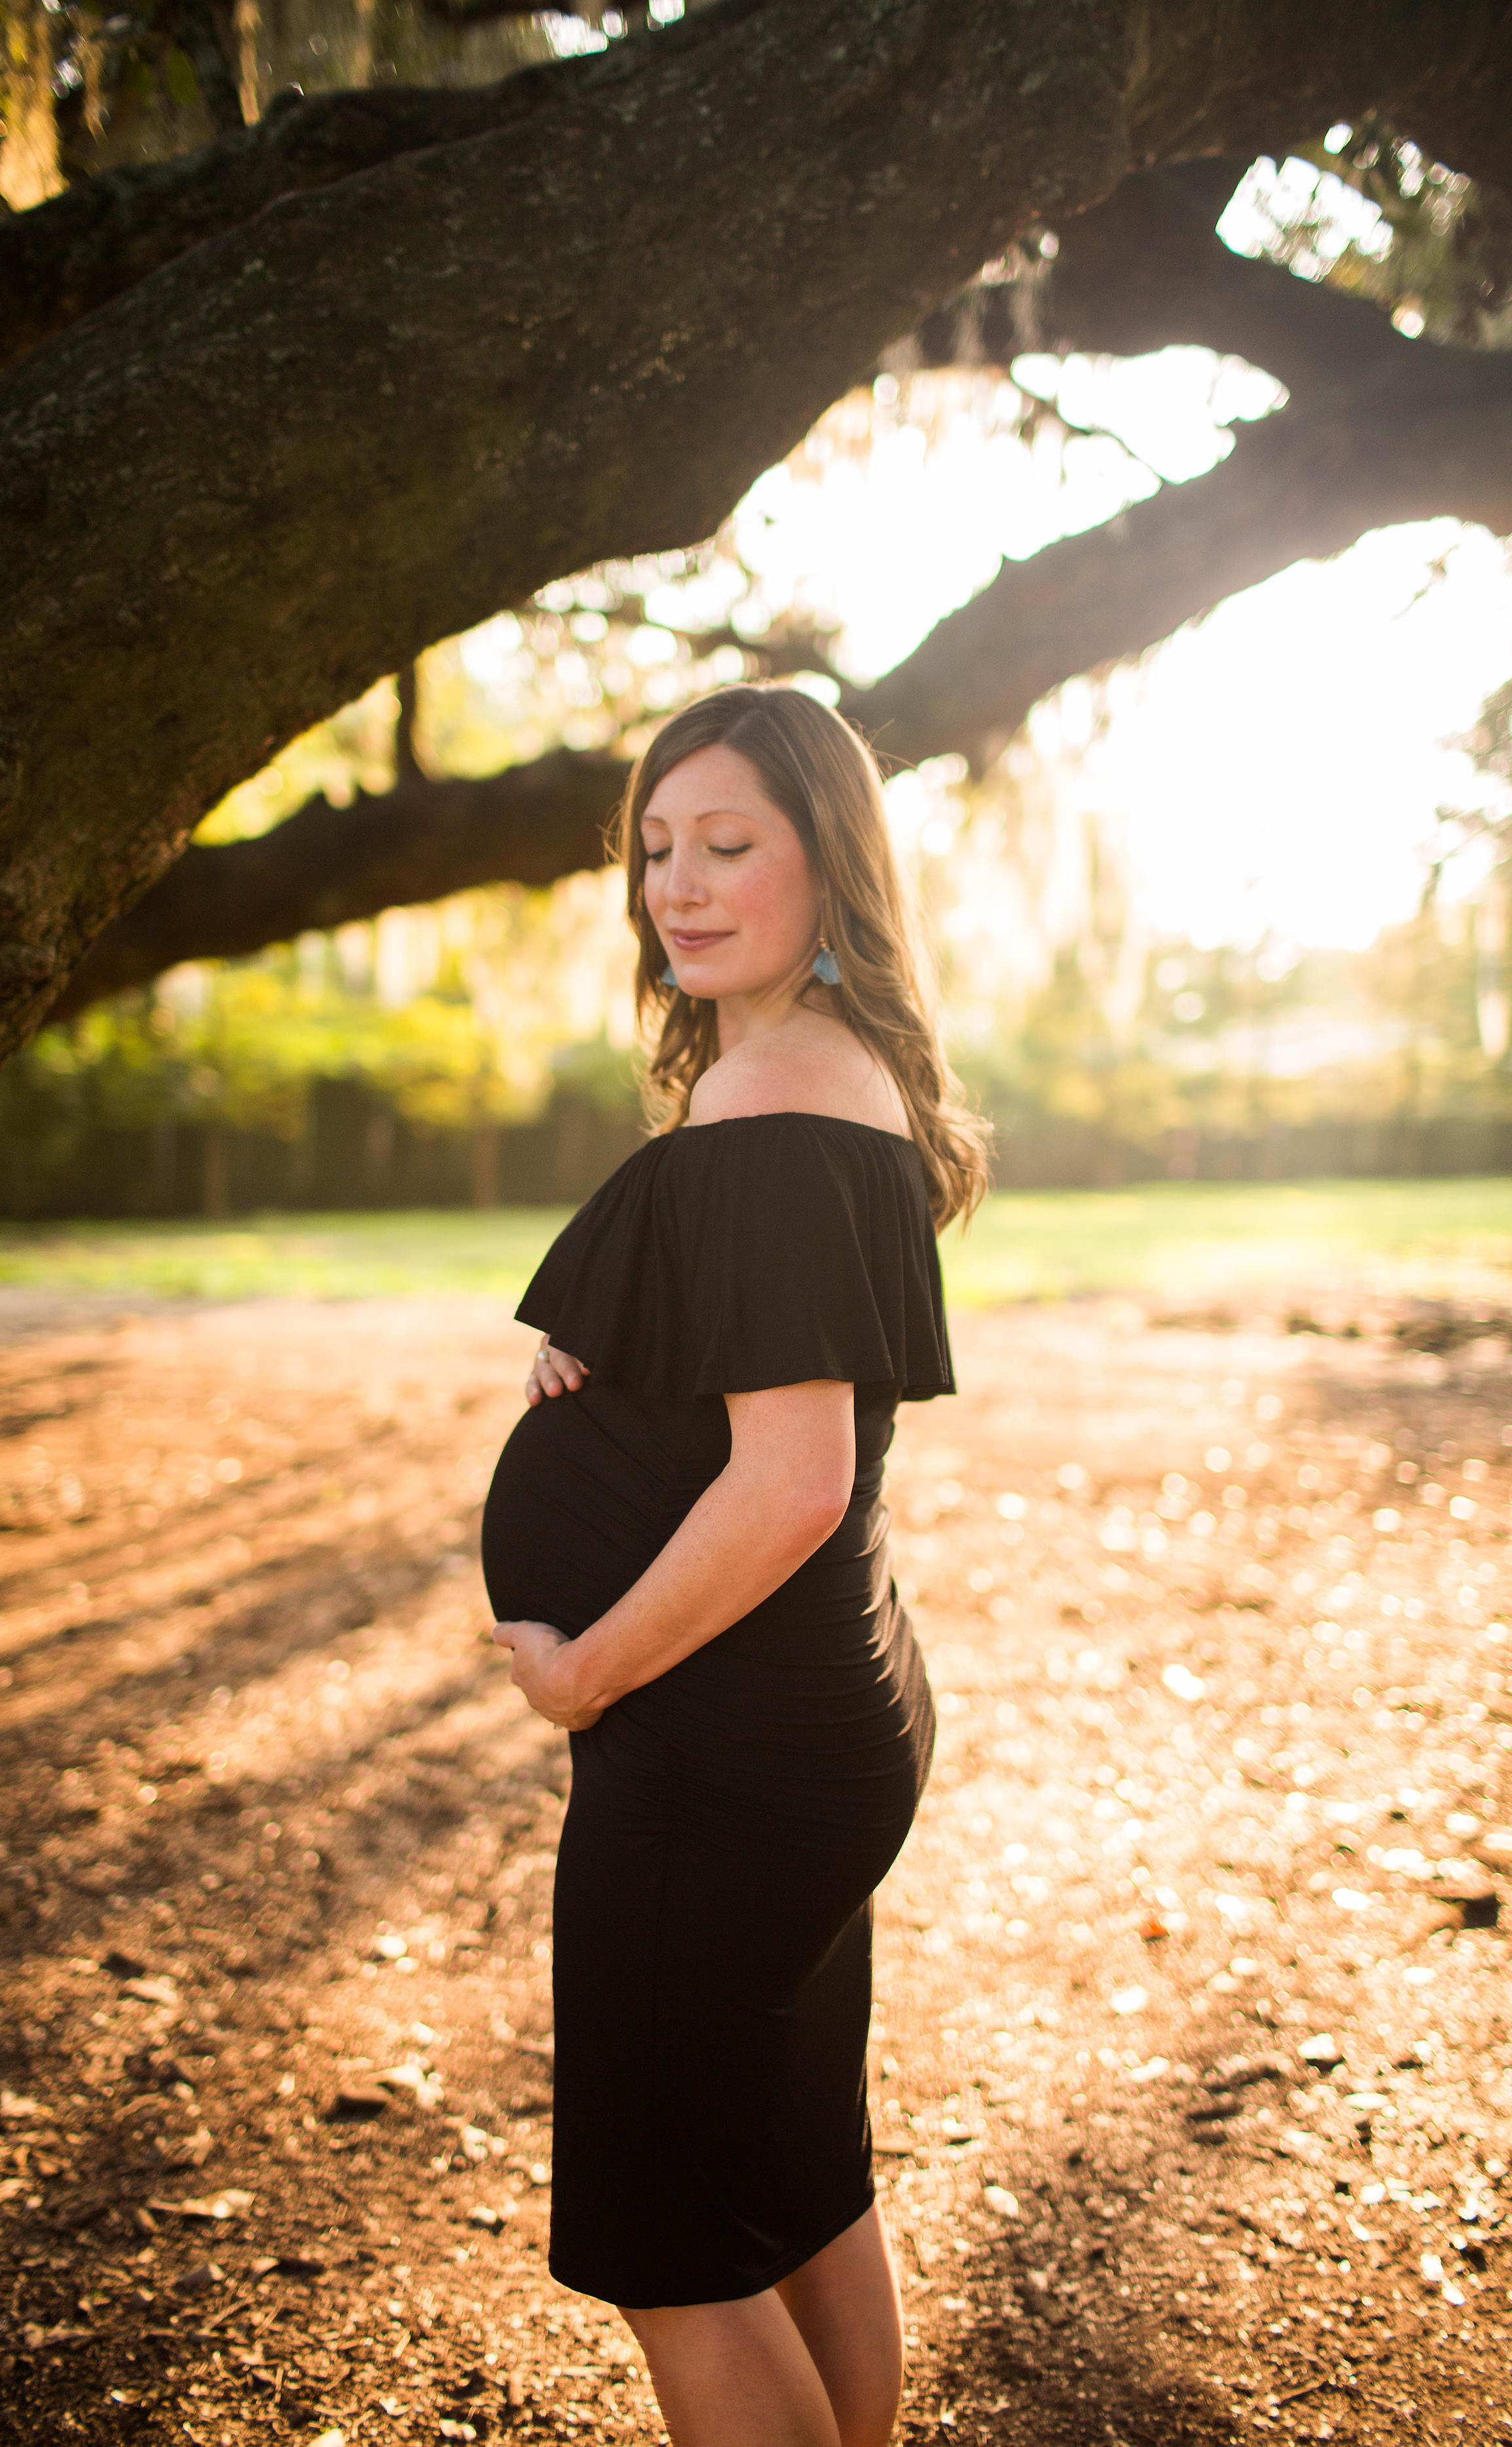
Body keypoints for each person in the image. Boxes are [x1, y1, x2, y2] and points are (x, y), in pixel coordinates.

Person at [482, 683, 990, 2447]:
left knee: (673, 2246)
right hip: (809, 1726)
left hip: (722, 1752)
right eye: (654, 851)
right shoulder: (803, 1072)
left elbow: (787, 1482)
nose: (679, 888)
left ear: (827, 860)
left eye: (728, 845)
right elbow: (751, 1382)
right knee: (792, 2174)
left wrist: (582, 1669)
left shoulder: (774, 1091)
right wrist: (609, 1354)